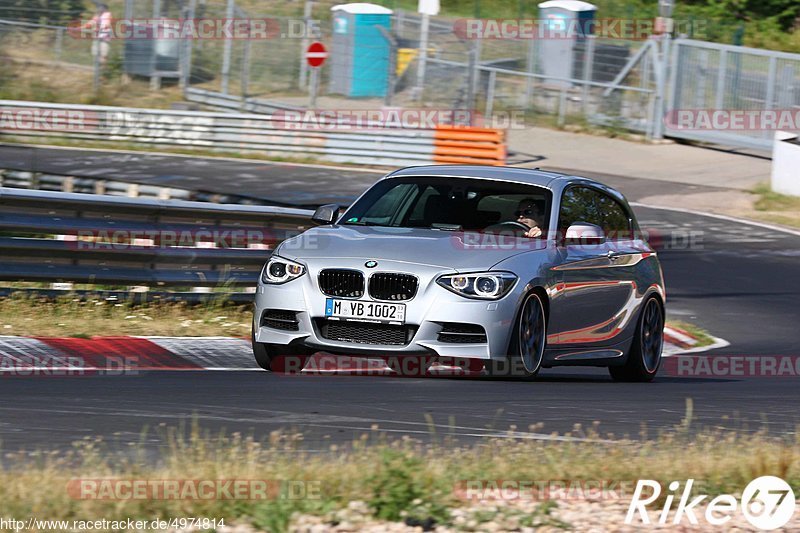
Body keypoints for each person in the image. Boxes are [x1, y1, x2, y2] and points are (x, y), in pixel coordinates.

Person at [86, 3, 112, 68]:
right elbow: (90, 23)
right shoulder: (96, 16)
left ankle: (103, 70)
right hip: (97, 38)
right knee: (95, 54)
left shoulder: (108, 15)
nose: (99, 9)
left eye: (101, 8)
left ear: (105, 9)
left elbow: (107, 24)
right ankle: (96, 69)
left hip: (104, 39)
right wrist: (81, 27)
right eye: (99, 8)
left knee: (104, 55)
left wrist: (100, 28)